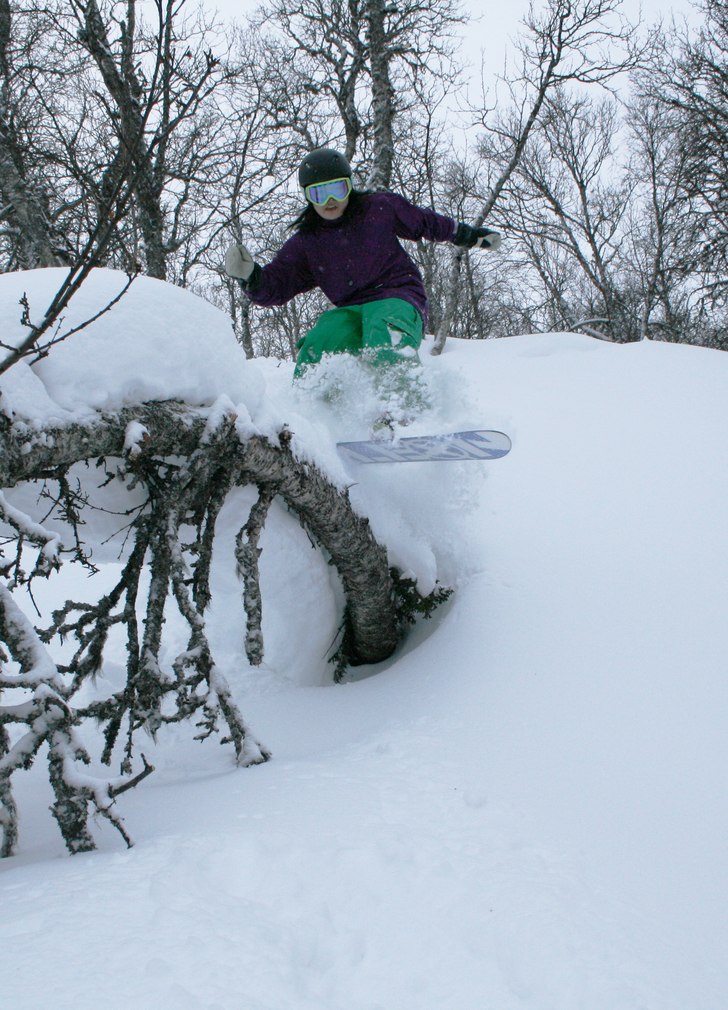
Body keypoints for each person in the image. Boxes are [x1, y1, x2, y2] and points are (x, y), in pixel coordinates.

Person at [225, 148, 501, 417]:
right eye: (320, 193)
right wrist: (250, 276)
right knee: (320, 340)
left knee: (383, 329)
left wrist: (469, 235)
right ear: (309, 197)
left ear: (350, 187)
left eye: (338, 189)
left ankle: (405, 416)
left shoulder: (378, 209)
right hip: (352, 310)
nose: (330, 201)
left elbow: (426, 222)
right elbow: (277, 285)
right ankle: (315, 420)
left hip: (398, 297)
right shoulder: (307, 242)